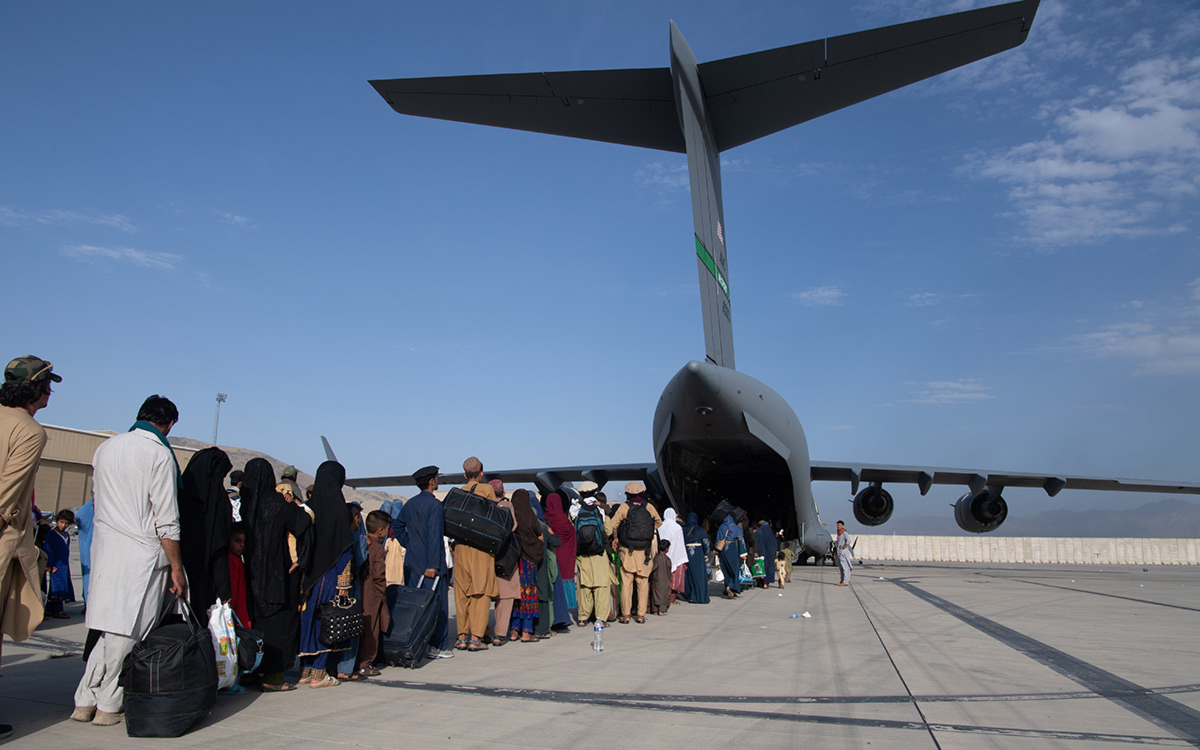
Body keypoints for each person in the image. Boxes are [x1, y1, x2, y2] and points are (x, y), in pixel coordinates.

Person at [73, 395, 186, 726]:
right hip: (143, 555)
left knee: (107, 630)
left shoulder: (107, 448)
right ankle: (108, 703)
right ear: (168, 424)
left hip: (107, 549)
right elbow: (166, 519)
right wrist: (177, 568)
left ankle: (84, 698)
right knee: (129, 633)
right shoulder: (159, 454)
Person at [0, 355, 58, 739]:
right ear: (35, 388)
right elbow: (6, 495)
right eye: (47, 384)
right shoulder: (29, 431)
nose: (51, 390)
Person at [241, 458, 312, 692]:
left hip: (249, 575)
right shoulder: (278, 503)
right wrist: (300, 560)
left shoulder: (245, 503)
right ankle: (273, 678)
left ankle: (250, 671)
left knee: (253, 624)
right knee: (279, 626)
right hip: (278, 576)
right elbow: (304, 523)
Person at [297, 461, 353, 688]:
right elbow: (344, 547)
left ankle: (305, 670)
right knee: (326, 623)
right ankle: (319, 672)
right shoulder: (339, 508)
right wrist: (344, 581)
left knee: (308, 620)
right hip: (329, 575)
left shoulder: (309, 506)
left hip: (308, 576)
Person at [392, 465, 453, 659]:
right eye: (436, 478)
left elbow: (398, 525)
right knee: (438, 604)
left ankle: (416, 641)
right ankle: (438, 645)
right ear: (431, 481)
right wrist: (433, 565)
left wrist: (411, 545)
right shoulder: (434, 505)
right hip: (430, 565)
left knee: (414, 605)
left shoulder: (410, 503)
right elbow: (435, 536)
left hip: (413, 562)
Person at [451, 457, 502, 652]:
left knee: (462, 591)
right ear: (481, 474)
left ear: (465, 475)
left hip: (461, 548)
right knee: (481, 591)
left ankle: (462, 636)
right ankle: (476, 638)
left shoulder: (459, 493)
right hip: (482, 548)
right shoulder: (487, 490)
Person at [179, 446, 234, 616]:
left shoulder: (179, 494)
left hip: (174, 574)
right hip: (202, 580)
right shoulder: (216, 502)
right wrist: (225, 592)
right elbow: (218, 547)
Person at [610, 481, 661, 624]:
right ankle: (640, 615)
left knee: (626, 583)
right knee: (643, 583)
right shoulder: (649, 507)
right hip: (644, 551)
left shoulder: (624, 507)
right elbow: (658, 522)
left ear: (628, 493)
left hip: (628, 551)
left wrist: (616, 538)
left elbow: (613, 525)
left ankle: (626, 615)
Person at [356, 511, 391, 676]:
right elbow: (379, 574)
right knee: (372, 629)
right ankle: (366, 663)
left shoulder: (362, 541)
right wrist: (382, 592)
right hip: (373, 594)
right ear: (381, 531)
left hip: (361, 589)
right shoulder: (377, 547)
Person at [508, 489, 544, 642]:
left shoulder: (510, 517)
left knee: (516, 596)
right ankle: (527, 632)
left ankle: (514, 631)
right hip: (528, 564)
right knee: (528, 595)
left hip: (514, 563)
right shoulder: (530, 516)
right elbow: (539, 535)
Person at [573, 491, 613, 626]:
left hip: (582, 555)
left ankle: (583, 617)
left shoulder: (575, 509)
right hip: (599, 554)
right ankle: (601, 618)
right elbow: (608, 530)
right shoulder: (600, 510)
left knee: (584, 587)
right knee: (601, 587)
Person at [543, 490, 576, 633]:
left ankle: (553, 618)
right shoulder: (565, 521)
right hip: (566, 559)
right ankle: (563, 617)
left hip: (552, 558)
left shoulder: (545, 520)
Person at [42, 509, 76, 618]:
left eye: (66, 523)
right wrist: (49, 565)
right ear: (57, 521)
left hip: (64, 566)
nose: (63, 525)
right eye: (61, 522)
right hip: (55, 565)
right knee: (57, 586)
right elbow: (48, 549)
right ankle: (58, 610)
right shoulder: (51, 534)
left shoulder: (66, 535)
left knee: (62, 584)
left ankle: (49, 609)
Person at [658, 508, 688, 604]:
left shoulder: (660, 526)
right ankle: (672, 599)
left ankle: (663, 598)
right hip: (675, 554)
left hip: (662, 554)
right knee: (674, 579)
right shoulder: (677, 527)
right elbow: (680, 544)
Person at [681, 513, 710, 604]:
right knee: (699, 576)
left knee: (689, 575)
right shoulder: (700, 530)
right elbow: (706, 543)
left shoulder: (684, 530)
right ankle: (698, 596)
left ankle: (690, 595)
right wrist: (706, 555)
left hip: (687, 554)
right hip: (698, 554)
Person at [227, 522, 250, 626]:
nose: (242, 545)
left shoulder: (237, 560)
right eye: (237, 541)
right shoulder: (232, 560)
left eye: (244, 542)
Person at [715, 514, 743, 600]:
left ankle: (727, 585)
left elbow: (718, 539)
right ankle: (732, 587)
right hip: (732, 549)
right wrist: (743, 553)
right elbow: (741, 540)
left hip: (723, 550)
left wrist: (717, 552)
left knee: (726, 569)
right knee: (734, 569)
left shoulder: (722, 527)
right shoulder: (735, 527)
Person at [75, 497, 94, 606]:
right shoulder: (92, 506)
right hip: (91, 544)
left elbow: (79, 517)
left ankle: (88, 603)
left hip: (88, 543)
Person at [753, 519, 779, 589]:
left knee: (761, 567)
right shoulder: (771, 535)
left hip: (761, 554)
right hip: (770, 555)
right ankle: (766, 583)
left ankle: (760, 582)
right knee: (769, 567)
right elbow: (774, 546)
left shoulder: (758, 533)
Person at [649, 539, 672, 615]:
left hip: (657, 579)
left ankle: (655, 609)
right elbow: (669, 569)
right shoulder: (667, 559)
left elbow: (653, 568)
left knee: (655, 595)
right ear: (667, 549)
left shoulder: (657, 558)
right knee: (663, 595)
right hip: (665, 580)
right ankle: (661, 610)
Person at [835, 520, 853, 586]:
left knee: (845, 567)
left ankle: (845, 581)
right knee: (841, 567)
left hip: (843, 552)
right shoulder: (839, 534)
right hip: (839, 552)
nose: (838, 527)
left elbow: (848, 541)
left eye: (839, 525)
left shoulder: (844, 533)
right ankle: (842, 580)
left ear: (842, 526)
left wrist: (844, 546)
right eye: (837, 525)